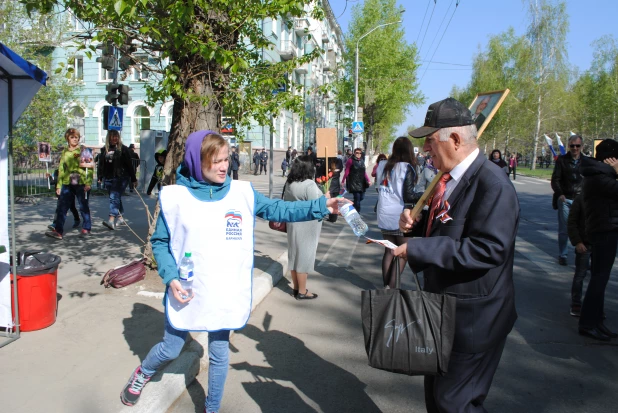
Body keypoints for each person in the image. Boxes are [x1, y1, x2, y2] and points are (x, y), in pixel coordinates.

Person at [119, 130, 343, 409]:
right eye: (216, 161)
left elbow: (279, 210)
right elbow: (161, 242)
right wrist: (170, 276)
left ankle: (212, 407)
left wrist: (322, 205)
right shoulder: (175, 198)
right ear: (196, 161)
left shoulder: (241, 193)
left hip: (223, 291)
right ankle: (143, 373)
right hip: (185, 289)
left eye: (226, 159)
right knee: (171, 347)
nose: (224, 166)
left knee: (219, 351)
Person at [397, 97, 519, 413]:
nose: (425, 150)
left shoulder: (493, 183)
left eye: (429, 142)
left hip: (474, 321)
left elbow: (487, 248)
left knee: (455, 402)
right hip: (444, 312)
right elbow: (448, 228)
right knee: (437, 397)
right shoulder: (447, 178)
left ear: (454, 140)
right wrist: (415, 224)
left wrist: (419, 248)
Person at [577, 139, 618, 341]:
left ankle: (597, 320)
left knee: (600, 278)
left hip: (604, 229)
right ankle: (588, 323)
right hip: (604, 230)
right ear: (611, 158)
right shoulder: (601, 177)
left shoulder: (599, 174)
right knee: (598, 279)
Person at [375, 137, 418, 288]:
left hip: (383, 213)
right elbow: (409, 196)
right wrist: (427, 195)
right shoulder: (407, 167)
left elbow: (377, 188)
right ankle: (390, 287)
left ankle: (386, 286)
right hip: (400, 215)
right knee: (403, 254)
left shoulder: (382, 165)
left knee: (389, 251)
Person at [283, 155, 326, 300]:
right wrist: (325, 197)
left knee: (294, 256)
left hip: (293, 223)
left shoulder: (289, 182)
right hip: (307, 225)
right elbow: (316, 206)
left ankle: (296, 288)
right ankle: (302, 291)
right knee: (304, 257)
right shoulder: (309, 185)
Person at [45, 128, 93, 239]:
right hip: (67, 181)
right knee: (62, 207)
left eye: (76, 137)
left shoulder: (83, 150)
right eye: (72, 137)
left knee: (83, 206)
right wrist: (58, 185)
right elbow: (61, 169)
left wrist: (88, 183)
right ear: (68, 138)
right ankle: (58, 231)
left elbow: (89, 169)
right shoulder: (65, 152)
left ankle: (86, 228)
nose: (75, 139)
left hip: (81, 181)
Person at [551, 134, 584, 266]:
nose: (575, 148)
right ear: (568, 146)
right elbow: (555, 179)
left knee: (582, 228)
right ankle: (563, 254)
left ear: (582, 146)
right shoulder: (562, 160)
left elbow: (589, 180)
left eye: (577, 146)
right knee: (564, 229)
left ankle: (581, 254)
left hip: (581, 200)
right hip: (566, 199)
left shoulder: (586, 161)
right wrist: (560, 194)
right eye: (572, 146)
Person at [97, 130, 137, 230]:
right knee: (116, 198)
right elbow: (101, 165)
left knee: (113, 197)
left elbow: (129, 165)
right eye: (112, 136)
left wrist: (133, 179)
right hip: (108, 177)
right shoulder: (104, 150)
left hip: (121, 177)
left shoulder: (123, 149)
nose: (115, 138)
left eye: (116, 136)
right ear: (109, 138)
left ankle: (111, 219)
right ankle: (120, 218)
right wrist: (100, 176)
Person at [567, 194, 590, 318]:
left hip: (600, 244)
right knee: (580, 275)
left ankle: (596, 305)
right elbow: (572, 222)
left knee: (599, 278)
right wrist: (577, 242)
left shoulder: (606, 198)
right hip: (584, 244)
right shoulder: (581, 199)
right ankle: (576, 303)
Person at [341, 147, 371, 212]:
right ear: (354, 153)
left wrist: (368, 180)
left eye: (360, 153)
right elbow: (347, 171)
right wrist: (343, 181)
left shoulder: (362, 160)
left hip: (362, 182)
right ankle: (357, 213)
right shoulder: (350, 160)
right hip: (354, 182)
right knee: (357, 198)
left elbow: (364, 172)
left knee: (361, 197)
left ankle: (352, 205)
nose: (358, 154)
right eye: (357, 153)